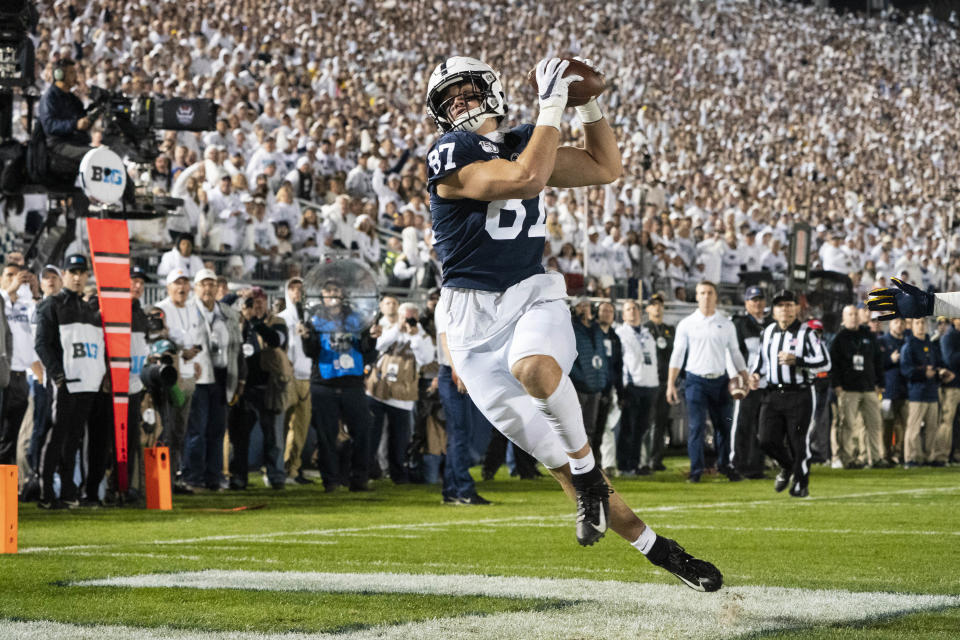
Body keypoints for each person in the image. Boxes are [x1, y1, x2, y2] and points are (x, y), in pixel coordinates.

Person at [426, 55, 720, 590]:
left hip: (528, 295)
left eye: (467, 91)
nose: (461, 104)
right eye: (450, 99)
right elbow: (526, 177)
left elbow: (606, 167)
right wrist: (555, 105)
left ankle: (588, 474)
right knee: (561, 463)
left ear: (490, 89)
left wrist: (591, 104)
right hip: (470, 322)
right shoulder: (452, 151)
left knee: (536, 370)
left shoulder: (522, 137)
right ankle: (661, 551)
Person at [33, 254, 109, 509]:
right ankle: (46, 493)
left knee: (74, 439)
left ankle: (67, 491)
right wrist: (57, 375)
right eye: (72, 272)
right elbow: (41, 344)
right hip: (63, 383)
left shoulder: (89, 309)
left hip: (86, 384)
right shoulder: (51, 304)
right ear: (64, 274)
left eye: (82, 272)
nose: (77, 277)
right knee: (56, 437)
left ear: (88, 276)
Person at [749, 290, 830, 498]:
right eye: (780, 305)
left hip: (800, 394)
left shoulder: (808, 333)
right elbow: (761, 361)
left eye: (789, 305)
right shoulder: (767, 332)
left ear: (796, 309)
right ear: (773, 311)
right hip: (773, 393)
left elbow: (825, 362)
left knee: (798, 441)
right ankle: (787, 467)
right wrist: (756, 374)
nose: (784, 309)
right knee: (766, 439)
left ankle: (801, 484)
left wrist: (798, 360)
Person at [666, 281, 748, 483]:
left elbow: (735, 351)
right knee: (696, 427)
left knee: (724, 426)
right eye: (702, 292)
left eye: (709, 292)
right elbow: (678, 354)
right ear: (696, 296)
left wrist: (744, 374)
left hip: (720, 380)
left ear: (716, 296)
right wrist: (671, 383)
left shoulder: (726, 323)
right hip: (695, 380)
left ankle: (724, 466)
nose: (706, 296)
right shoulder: (687, 323)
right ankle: (696, 471)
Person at [304, 279, 377, 493]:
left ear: (342, 293)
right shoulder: (314, 319)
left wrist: (372, 338)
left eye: (335, 290)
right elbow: (311, 353)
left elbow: (367, 351)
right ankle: (331, 481)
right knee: (326, 436)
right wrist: (307, 338)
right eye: (327, 291)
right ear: (322, 296)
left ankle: (359, 478)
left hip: (352, 382)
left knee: (362, 430)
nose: (332, 294)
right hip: (324, 383)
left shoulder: (357, 318)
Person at [182, 269, 245, 491]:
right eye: (203, 284)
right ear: (196, 287)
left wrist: (241, 379)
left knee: (217, 430)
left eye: (211, 284)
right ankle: (193, 476)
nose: (208, 289)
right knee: (197, 430)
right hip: (199, 378)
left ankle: (214, 476)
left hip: (223, 376)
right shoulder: (189, 311)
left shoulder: (227, 312)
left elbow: (237, 349)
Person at [366, 302, 435, 484]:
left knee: (399, 437)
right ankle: (368, 470)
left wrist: (415, 337)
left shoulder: (422, 335)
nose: (408, 320)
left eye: (412, 317)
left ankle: (398, 474)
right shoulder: (389, 328)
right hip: (379, 389)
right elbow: (379, 345)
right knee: (372, 434)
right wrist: (398, 328)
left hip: (403, 394)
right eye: (405, 316)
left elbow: (426, 359)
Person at [230, 287, 286, 490]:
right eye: (252, 302)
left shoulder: (277, 322)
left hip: (270, 387)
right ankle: (239, 478)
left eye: (260, 301)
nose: (256, 305)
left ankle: (276, 477)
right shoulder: (237, 323)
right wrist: (243, 318)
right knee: (240, 437)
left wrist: (255, 322)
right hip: (244, 388)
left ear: (266, 302)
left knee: (274, 437)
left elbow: (276, 340)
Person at [829, 305, 884, 469]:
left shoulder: (869, 335)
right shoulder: (839, 338)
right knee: (848, 425)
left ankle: (875, 457)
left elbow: (877, 360)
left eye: (855, 314)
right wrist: (837, 385)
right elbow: (834, 364)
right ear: (844, 318)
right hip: (848, 388)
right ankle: (848, 458)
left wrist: (880, 383)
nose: (853, 317)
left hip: (869, 387)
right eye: (850, 314)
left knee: (874, 425)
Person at [900, 318, 952, 467]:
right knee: (914, 428)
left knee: (932, 428)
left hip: (932, 392)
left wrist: (942, 372)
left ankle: (929, 457)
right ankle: (911, 458)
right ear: (912, 326)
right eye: (917, 323)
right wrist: (923, 373)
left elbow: (939, 364)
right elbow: (906, 370)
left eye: (923, 323)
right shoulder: (908, 346)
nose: (921, 326)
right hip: (917, 393)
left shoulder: (931, 345)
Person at [0, 263, 39, 465]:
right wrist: (9, 291)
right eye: (9, 275)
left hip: (22, 377)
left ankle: (7, 485)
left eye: (18, 276)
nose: (15, 279)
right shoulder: (1, 303)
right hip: (2, 377)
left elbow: (39, 327)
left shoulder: (27, 305)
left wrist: (35, 292)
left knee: (14, 436)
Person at [730, 286, 770, 479]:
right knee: (743, 425)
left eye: (760, 299)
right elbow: (734, 353)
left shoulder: (771, 324)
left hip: (767, 383)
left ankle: (756, 465)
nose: (757, 303)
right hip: (747, 383)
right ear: (746, 303)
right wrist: (742, 378)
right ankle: (738, 463)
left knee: (763, 426)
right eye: (753, 300)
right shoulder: (740, 324)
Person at [615, 299, 659, 476]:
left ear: (640, 312)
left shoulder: (648, 334)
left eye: (635, 308)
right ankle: (625, 465)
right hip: (632, 385)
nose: (632, 312)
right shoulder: (620, 333)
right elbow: (620, 363)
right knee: (628, 428)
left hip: (650, 385)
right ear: (624, 314)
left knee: (642, 428)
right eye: (628, 309)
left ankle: (636, 463)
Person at [278, 277, 315, 484]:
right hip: (287, 378)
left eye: (300, 288)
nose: (297, 292)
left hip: (306, 377)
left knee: (300, 427)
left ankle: (292, 469)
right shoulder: (281, 318)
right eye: (292, 288)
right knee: (282, 426)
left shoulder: (311, 319)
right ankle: (275, 468)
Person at [569, 298, 610, 469]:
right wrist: (579, 377)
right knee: (576, 429)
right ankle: (575, 464)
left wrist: (602, 378)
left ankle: (589, 464)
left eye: (587, 306)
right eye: (581, 306)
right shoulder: (571, 328)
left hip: (595, 385)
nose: (585, 309)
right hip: (579, 386)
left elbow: (602, 356)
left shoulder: (596, 329)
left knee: (591, 428)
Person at [639, 293, 673, 475]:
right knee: (647, 422)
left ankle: (656, 459)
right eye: (653, 304)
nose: (657, 307)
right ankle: (644, 459)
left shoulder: (669, 330)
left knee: (661, 422)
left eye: (660, 304)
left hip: (666, 381)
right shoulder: (644, 329)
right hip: (650, 382)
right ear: (647, 309)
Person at [878, 317, 909, 466]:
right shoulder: (882, 341)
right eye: (896, 322)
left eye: (902, 322)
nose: (899, 325)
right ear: (890, 324)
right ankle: (885, 455)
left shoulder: (907, 341)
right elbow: (878, 364)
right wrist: (890, 360)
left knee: (904, 425)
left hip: (905, 390)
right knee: (887, 425)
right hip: (888, 390)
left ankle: (899, 454)